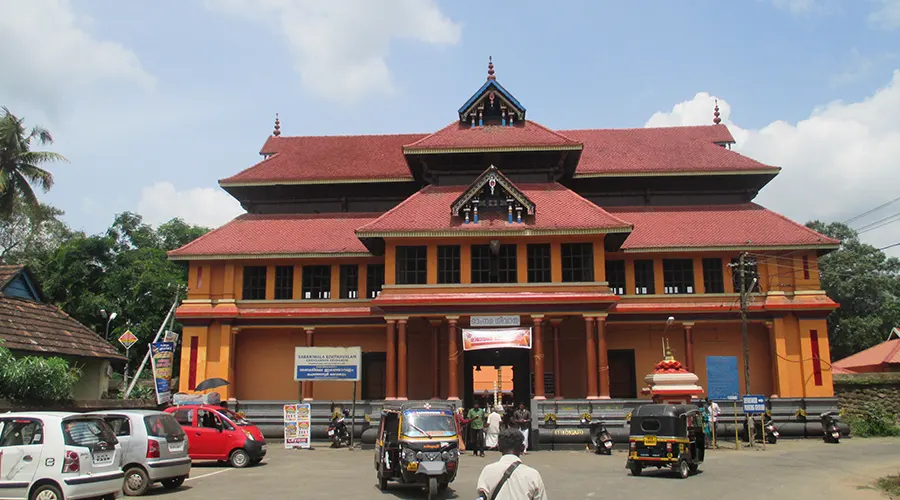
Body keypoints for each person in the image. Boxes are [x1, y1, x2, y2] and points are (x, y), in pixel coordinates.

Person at [476, 427, 548, 500]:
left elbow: (482, 496)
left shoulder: (488, 471)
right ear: (522, 448)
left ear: (499, 447)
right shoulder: (533, 475)